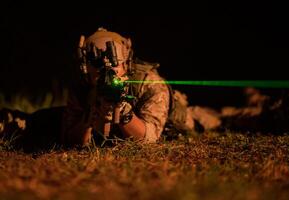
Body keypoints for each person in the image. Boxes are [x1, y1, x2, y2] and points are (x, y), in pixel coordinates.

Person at [0, 27, 198, 151]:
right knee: (47, 120)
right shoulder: (82, 89)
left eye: (113, 67)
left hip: (177, 120)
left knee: (204, 119)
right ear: (86, 68)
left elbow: (149, 139)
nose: (107, 75)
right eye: (98, 69)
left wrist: (125, 114)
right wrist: (90, 118)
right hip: (102, 120)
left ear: (126, 63)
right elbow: (71, 139)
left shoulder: (150, 84)